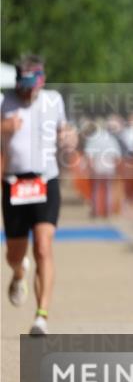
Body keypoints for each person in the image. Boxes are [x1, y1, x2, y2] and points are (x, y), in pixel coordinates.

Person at [1, 55, 71, 336]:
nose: (29, 93)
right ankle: (19, 273)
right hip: (14, 183)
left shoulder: (53, 100)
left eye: (34, 87)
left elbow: (64, 131)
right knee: (14, 254)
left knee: (43, 245)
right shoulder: (4, 102)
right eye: (24, 87)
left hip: (45, 181)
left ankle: (41, 315)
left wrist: (69, 138)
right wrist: (4, 127)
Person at [84, 117, 122, 218]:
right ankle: (107, 212)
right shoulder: (111, 139)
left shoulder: (93, 139)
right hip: (109, 167)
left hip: (98, 166)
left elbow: (89, 155)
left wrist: (90, 168)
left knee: (96, 189)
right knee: (108, 189)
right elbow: (117, 155)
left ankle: (96, 211)